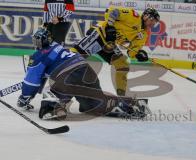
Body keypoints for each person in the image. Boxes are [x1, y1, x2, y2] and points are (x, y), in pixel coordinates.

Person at [17, 28, 149, 120]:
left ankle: (55, 108)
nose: (36, 44)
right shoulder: (57, 46)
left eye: (37, 41)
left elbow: (31, 82)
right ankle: (130, 104)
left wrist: (24, 98)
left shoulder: (38, 55)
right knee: (93, 105)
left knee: (49, 95)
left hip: (67, 77)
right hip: (86, 70)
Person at [72, 7, 160, 96]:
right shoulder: (134, 16)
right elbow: (112, 11)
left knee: (123, 64)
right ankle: (60, 85)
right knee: (76, 57)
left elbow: (132, 51)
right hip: (100, 34)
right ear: (146, 16)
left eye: (155, 22)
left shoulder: (144, 34)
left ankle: (121, 97)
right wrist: (110, 26)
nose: (153, 24)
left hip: (110, 44)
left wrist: (138, 54)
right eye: (152, 20)